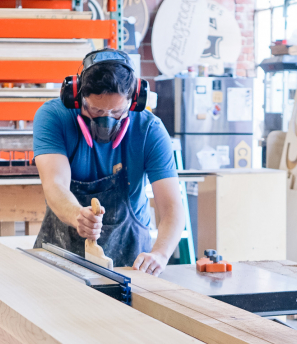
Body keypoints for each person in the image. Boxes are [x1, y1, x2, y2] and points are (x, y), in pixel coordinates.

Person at [32, 48, 184, 276]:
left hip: (130, 262)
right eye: (95, 110)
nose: (107, 121)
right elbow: (55, 184)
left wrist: (160, 254)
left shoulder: (149, 130)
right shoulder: (54, 117)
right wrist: (77, 215)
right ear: (76, 95)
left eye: (117, 112)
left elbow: (171, 206)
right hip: (61, 258)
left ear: (135, 100)